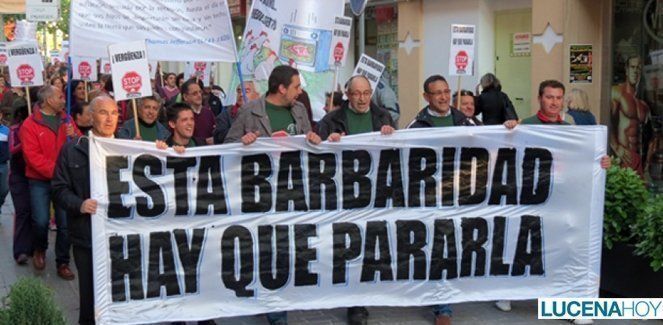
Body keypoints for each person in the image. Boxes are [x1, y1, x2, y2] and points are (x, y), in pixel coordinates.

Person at [498, 80, 611, 325]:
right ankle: (507, 290)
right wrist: (508, 130)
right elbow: (505, 153)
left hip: (563, 196)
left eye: (559, 98)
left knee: (566, 249)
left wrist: (600, 162)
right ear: (540, 98)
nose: (554, 102)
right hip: (531, 195)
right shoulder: (525, 125)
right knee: (526, 245)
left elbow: (585, 155)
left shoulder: (570, 125)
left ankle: (570, 307)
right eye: (549, 97)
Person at [52, 96, 119, 325]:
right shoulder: (72, 150)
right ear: (90, 117)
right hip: (87, 238)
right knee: (90, 298)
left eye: (114, 113)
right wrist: (79, 204)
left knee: (121, 296)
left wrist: (165, 150)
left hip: (122, 237)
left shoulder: (129, 146)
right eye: (103, 112)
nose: (109, 118)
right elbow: (59, 189)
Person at [19, 85, 81, 280]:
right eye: (60, 96)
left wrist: (75, 136)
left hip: (63, 183)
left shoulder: (67, 119)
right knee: (40, 220)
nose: (64, 99)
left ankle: (62, 261)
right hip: (40, 181)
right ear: (47, 101)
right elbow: (32, 157)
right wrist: (59, 171)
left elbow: (80, 145)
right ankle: (40, 248)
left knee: (65, 224)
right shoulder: (29, 125)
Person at [225, 65, 321, 147]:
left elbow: (308, 142)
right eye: (296, 87)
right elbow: (228, 145)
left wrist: (314, 140)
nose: (300, 91)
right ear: (282, 89)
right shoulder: (248, 111)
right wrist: (243, 142)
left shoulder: (300, 109)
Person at [318, 75, 396, 142]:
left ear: (371, 93)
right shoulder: (331, 120)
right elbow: (320, 151)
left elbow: (395, 149)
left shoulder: (384, 117)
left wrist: (391, 135)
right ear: (347, 95)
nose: (362, 98)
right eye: (356, 94)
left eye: (366, 93)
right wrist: (331, 143)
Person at [610, 56, 650, 175]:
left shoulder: (643, 105)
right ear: (626, 70)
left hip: (638, 158)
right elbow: (607, 121)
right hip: (622, 156)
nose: (635, 71)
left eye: (639, 68)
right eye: (632, 67)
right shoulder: (616, 92)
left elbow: (649, 137)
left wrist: (646, 161)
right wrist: (616, 147)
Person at [9, 100, 33, 265]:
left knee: (36, 213)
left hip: (36, 175)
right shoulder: (14, 130)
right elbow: (12, 148)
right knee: (23, 211)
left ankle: (34, 246)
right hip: (19, 176)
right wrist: (25, 139)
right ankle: (20, 250)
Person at [408, 75, 474, 129]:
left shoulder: (466, 122)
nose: (444, 97)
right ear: (426, 97)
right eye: (438, 93)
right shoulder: (416, 126)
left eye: (446, 92)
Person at [181, 79, 216, 144]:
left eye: (200, 92)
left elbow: (214, 131)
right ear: (185, 97)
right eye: (195, 93)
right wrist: (204, 141)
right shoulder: (181, 114)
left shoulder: (208, 113)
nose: (199, 95)